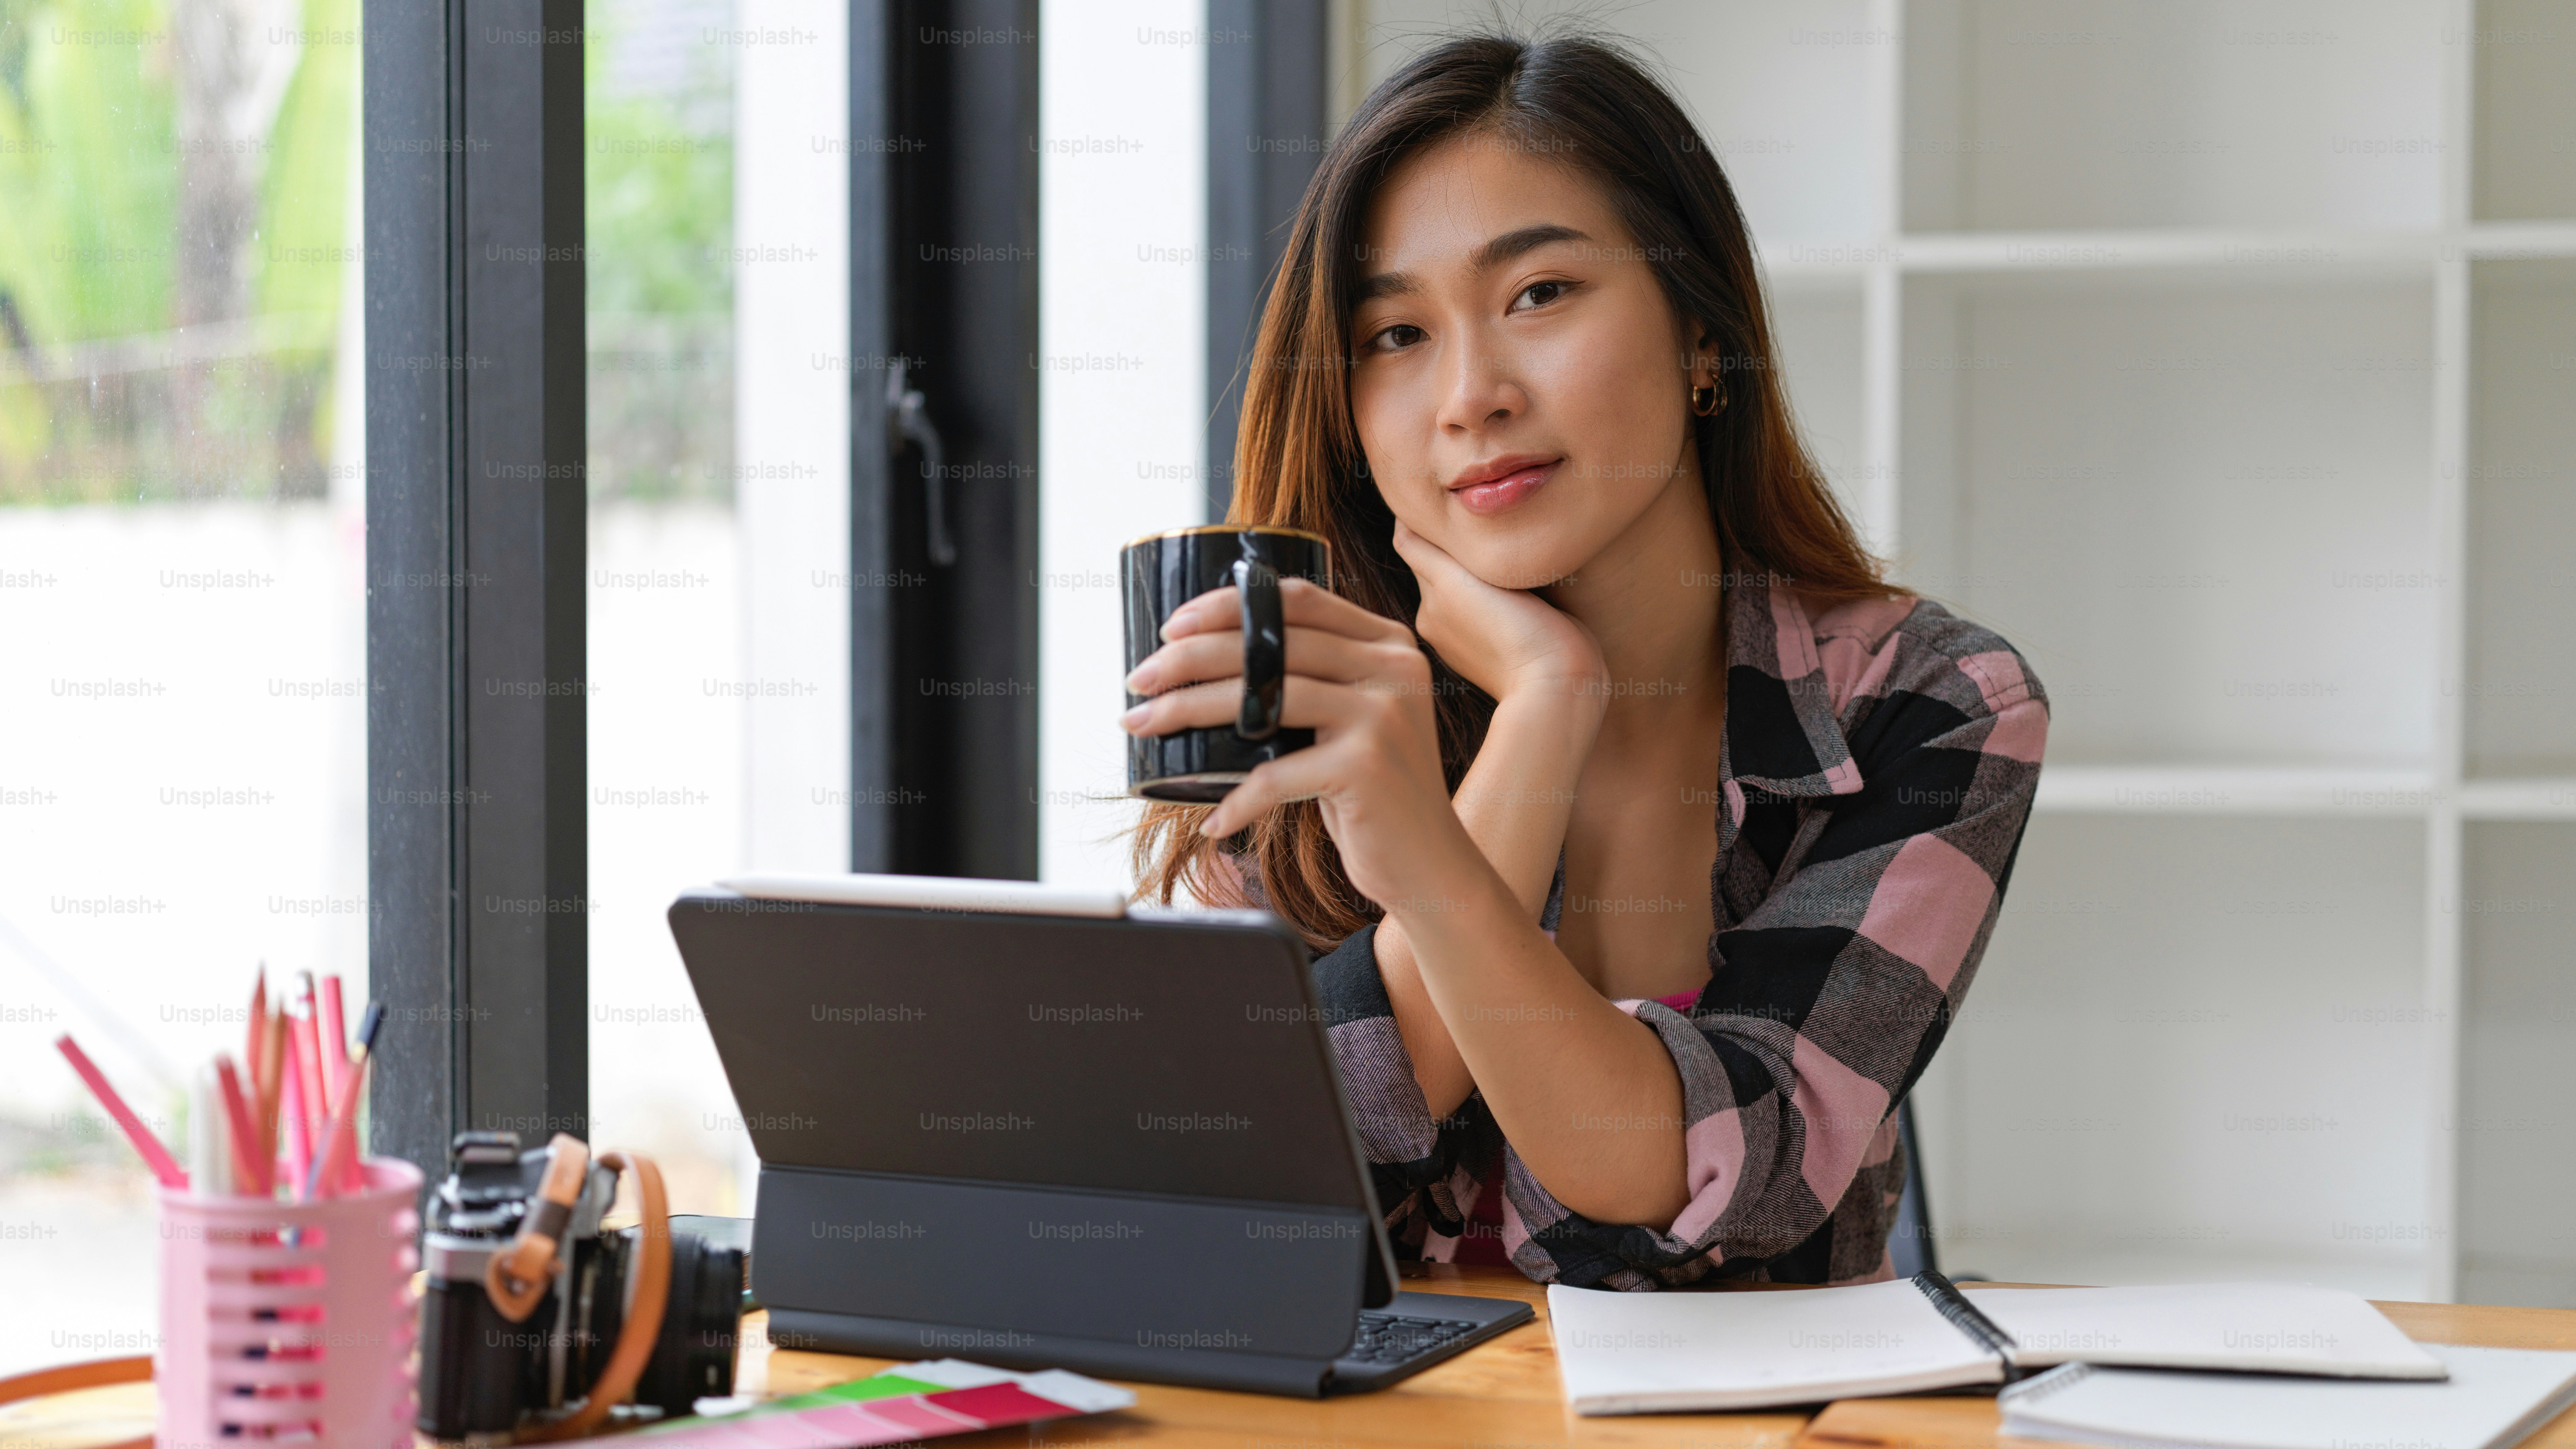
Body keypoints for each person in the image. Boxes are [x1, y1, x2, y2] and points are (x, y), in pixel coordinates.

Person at [1122, 31, 2048, 1290]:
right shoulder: (1314, 690)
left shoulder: (1928, 706)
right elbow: (1264, 1183)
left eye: (1539, 295)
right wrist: (1541, 721)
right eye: (1395, 333)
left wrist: (1460, 833)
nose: (1469, 396)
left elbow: (1720, 1177)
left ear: (1702, 335)